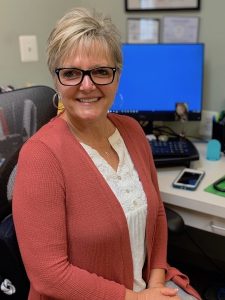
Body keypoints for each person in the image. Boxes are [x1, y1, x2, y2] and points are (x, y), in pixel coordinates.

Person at [13, 7, 202, 300]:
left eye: (101, 71)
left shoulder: (132, 132)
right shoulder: (40, 156)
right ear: (56, 79)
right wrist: (137, 298)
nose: (87, 85)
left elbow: (157, 214)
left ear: (117, 75)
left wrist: (154, 283)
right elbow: (48, 276)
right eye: (72, 73)